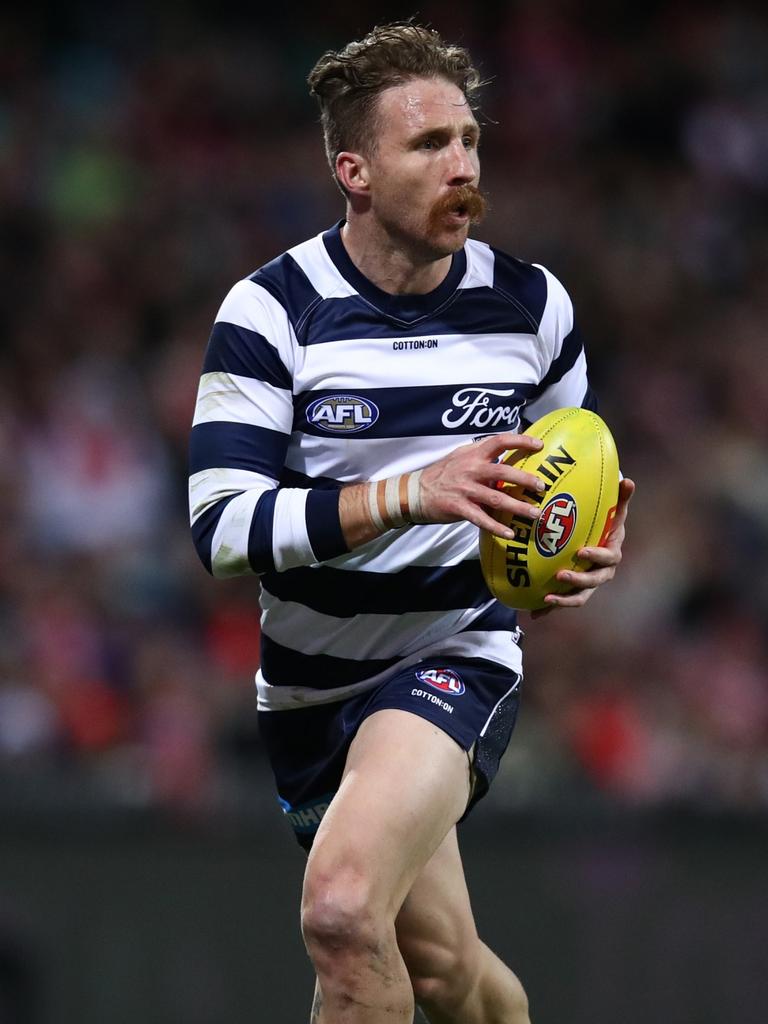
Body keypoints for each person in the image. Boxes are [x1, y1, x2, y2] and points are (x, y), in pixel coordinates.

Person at [189, 22, 634, 1024]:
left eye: (470, 140)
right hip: (309, 689)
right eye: (428, 145)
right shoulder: (271, 314)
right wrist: (409, 491)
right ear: (354, 169)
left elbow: (580, 472)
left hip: (453, 652)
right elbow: (219, 530)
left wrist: (591, 546)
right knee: (442, 970)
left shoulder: (531, 307)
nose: (463, 166)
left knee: (343, 914)